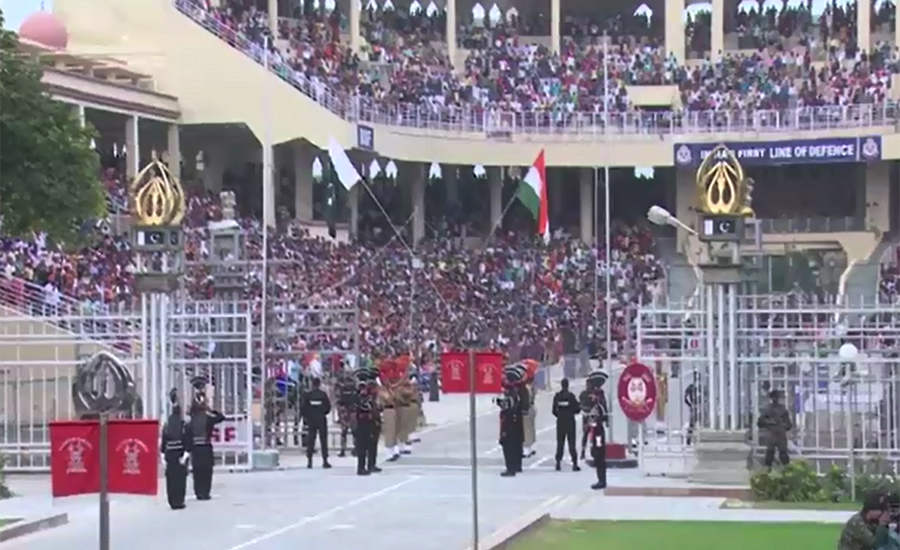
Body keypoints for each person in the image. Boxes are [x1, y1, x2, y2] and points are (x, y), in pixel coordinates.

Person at [186, 387, 226, 500]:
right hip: (206, 447)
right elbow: (221, 417)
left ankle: (199, 492)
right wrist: (211, 410)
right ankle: (205, 492)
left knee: (197, 471)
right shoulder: (208, 418)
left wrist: (188, 449)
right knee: (207, 471)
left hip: (196, 448)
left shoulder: (191, 420)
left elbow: (188, 436)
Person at [160, 398, 190, 510]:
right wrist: (185, 455)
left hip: (170, 455)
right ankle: (179, 500)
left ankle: (172, 500)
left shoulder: (167, 425)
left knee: (171, 479)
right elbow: (187, 441)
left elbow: (163, 443)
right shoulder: (183, 424)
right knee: (180, 479)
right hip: (179, 454)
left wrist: (163, 457)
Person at [498, 365, 526, 477]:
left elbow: (506, 408)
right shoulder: (519, 394)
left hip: (509, 427)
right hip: (517, 426)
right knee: (517, 446)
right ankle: (517, 465)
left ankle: (510, 468)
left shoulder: (511, 397)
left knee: (509, 448)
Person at [354, 367, 382, 475]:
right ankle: (363, 466)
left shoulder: (368, 392)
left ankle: (370, 464)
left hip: (369, 420)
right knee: (364, 445)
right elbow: (366, 406)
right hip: (365, 421)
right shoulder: (364, 393)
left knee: (370, 444)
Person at [300, 377, 333, 469]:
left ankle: (309, 461)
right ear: (319, 384)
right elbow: (328, 407)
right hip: (321, 419)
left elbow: (303, 408)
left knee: (311, 439)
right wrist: (322, 412)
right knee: (323, 440)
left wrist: (306, 417)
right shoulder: (323, 395)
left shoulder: (308, 395)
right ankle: (325, 460)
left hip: (311, 420)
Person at [585, 369, 609, 490]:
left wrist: (595, 422)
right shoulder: (595, 404)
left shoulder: (600, 403)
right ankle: (600, 479)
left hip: (598, 433)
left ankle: (602, 480)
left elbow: (603, 416)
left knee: (599, 454)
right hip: (595, 432)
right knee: (596, 454)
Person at [757, 389, 792, 468]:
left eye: (776, 398)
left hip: (780, 434)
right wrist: (770, 423)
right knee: (770, 454)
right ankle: (767, 470)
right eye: (774, 398)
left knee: (783, 455)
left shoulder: (782, 409)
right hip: (772, 434)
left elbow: (789, 424)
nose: (775, 399)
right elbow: (760, 422)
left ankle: (787, 470)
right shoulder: (767, 409)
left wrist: (783, 426)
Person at [552, 378, 581, 471]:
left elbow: (553, 410)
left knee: (560, 443)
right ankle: (575, 463)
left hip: (560, 421)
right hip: (570, 421)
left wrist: (560, 415)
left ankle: (558, 463)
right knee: (571, 443)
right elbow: (577, 409)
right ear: (567, 385)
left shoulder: (557, 396)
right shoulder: (571, 396)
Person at [336, 370, 358, 457]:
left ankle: (344, 450)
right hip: (350, 411)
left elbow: (338, 400)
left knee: (346, 432)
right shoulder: (354, 388)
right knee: (353, 432)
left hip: (347, 411)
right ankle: (353, 448)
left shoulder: (342, 388)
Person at [578, 386, 592, 460]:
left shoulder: (596, 393)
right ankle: (583, 451)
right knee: (585, 434)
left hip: (595, 416)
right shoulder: (583, 394)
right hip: (586, 416)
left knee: (597, 434)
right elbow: (580, 404)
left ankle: (597, 449)